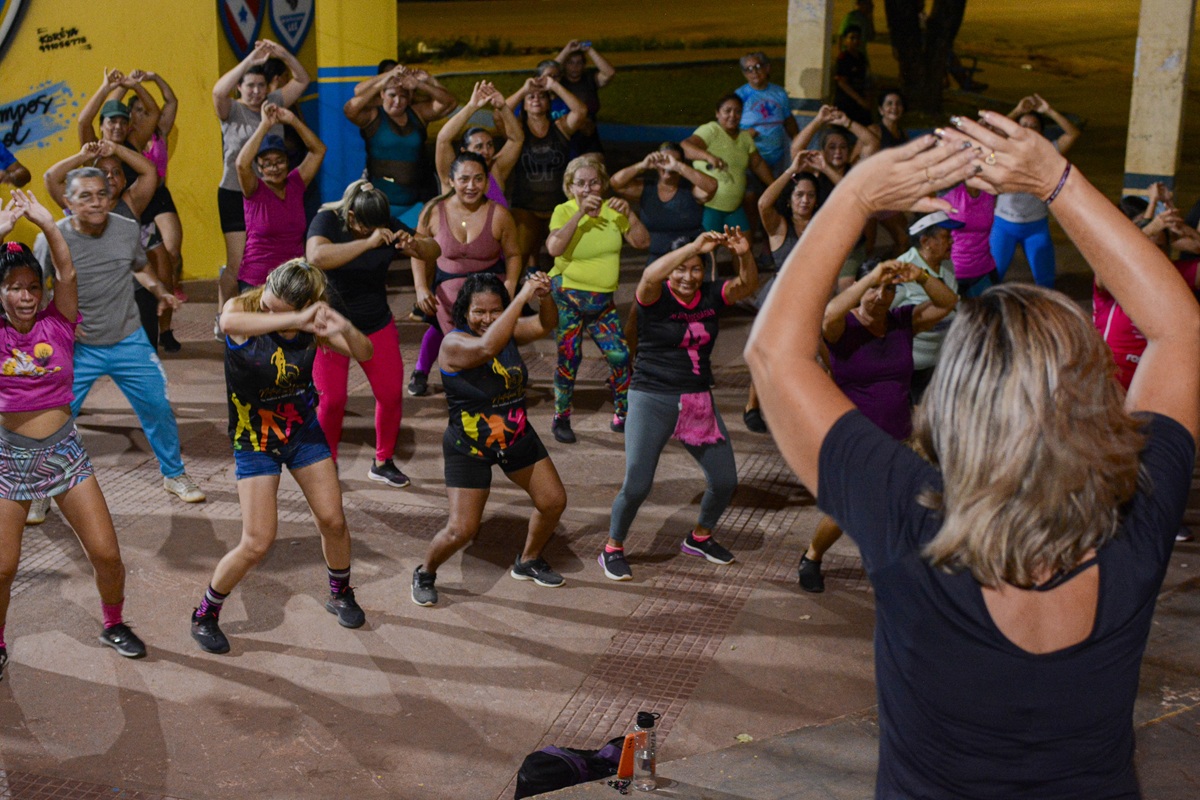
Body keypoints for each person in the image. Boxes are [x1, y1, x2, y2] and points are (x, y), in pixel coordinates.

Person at [746, 114, 1199, 797]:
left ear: (955, 404)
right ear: (1092, 395)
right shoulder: (1137, 517)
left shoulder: (907, 519)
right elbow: (1180, 330)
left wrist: (858, 194)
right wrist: (1057, 180)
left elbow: (774, 354)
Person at [190, 259, 373, 655]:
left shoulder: (310, 323)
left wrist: (341, 326)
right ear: (268, 282)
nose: (271, 310)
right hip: (254, 439)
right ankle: (205, 613)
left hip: (302, 433)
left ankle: (340, 593)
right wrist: (295, 318)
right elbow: (228, 324)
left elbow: (365, 351)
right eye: (271, 301)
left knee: (333, 520)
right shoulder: (242, 310)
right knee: (257, 541)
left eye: (284, 309)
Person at [0, 190, 148, 677]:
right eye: (14, 288)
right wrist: (4, 228)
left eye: (31, 288)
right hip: (9, 458)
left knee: (107, 553)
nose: (25, 296)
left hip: (64, 453)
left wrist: (47, 224)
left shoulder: (58, 324)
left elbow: (67, 273)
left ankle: (113, 622)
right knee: (2, 568)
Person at [31, 167, 202, 522]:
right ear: (67, 202)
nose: (96, 202)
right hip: (78, 348)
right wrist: (57, 323)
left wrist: (159, 290)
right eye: (85, 196)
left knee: (157, 406)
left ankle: (174, 475)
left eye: (101, 194)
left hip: (128, 340)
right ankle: (40, 489)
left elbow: (139, 266)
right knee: (52, 419)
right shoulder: (52, 237)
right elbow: (38, 285)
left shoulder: (126, 229)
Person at [600, 229, 758, 581]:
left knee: (725, 480)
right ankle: (613, 547)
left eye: (696, 269)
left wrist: (744, 253)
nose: (688, 277)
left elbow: (747, 285)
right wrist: (694, 247)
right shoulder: (654, 294)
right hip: (651, 395)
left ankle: (700, 536)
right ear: (670, 270)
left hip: (697, 398)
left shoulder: (711, 296)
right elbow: (647, 276)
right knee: (638, 484)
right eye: (681, 269)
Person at [797, 255, 957, 593]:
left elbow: (948, 302)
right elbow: (827, 315)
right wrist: (869, 280)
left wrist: (919, 275)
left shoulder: (902, 321)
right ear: (860, 287)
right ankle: (812, 556)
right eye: (874, 288)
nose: (881, 296)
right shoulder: (843, 326)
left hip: (900, 436)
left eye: (888, 290)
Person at [411, 272, 565, 607]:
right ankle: (425, 571)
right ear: (464, 311)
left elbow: (545, 325)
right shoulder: (453, 343)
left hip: (515, 436)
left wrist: (544, 296)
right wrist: (520, 297)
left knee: (553, 502)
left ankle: (528, 560)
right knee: (461, 530)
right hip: (470, 447)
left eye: (495, 311)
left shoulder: (507, 332)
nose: (487, 318)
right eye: (479, 311)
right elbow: (486, 346)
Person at [306, 180, 440, 485]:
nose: (375, 232)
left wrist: (415, 246)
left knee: (391, 395)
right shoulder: (328, 220)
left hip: (376, 322)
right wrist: (367, 243)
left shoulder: (384, 223)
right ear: (351, 216)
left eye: (377, 228)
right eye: (366, 227)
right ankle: (326, 465)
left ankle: (382, 461)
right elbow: (315, 256)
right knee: (333, 401)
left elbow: (435, 248)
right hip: (333, 328)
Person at [545, 154, 649, 443]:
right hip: (568, 297)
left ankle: (623, 414)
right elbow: (554, 248)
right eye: (581, 184)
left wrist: (630, 214)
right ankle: (561, 416)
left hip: (602, 303)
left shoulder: (614, 211)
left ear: (602, 185)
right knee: (569, 357)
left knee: (620, 355)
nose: (588, 189)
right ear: (570, 186)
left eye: (593, 183)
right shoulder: (563, 211)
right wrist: (580, 214)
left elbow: (643, 242)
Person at [409, 152, 521, 398]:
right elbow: (417, 252)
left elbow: (513, 254)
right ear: (450, 181)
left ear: (487, 182)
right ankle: (424, 372)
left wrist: (511, 284)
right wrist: (420, 288)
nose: (472, 186)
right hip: (447, 294)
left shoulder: (500, 214)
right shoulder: (433, 211)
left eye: (478, 179)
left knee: (501, 361)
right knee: (453, 346)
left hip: (489, 291)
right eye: (464, 179)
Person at [213, 40, 310, 317]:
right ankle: (226, 316)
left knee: (270, 257)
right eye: (249, 86)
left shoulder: (274, 104)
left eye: (260, 86)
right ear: (240, 88)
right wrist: (251, 60)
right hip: (235, 192)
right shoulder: (231, 109)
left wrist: (282, 53)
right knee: (238, 262)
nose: (256, 91)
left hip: (270, 195)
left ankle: (268, 312)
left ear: (268, 87)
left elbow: (303, 79)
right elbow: (218, 90)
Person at [742, 156, 821, 433]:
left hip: (812, 297)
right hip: (780, 298)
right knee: (768, 351)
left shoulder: (822, 227)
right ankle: (753, 405)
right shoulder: (779, 227)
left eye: (811, 195)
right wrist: (791, 170)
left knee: (807, 355)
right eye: (799, 194)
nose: (805, 200)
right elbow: (763, 203)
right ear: (790, 199)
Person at [343, 65, 456, 228]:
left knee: (415, 249)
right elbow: (350, 108)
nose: (397, 101)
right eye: (391, 95)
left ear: (409, 98)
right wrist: (386, 77)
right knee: (379, 250)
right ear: (382, 94)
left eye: (403, 96)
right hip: (379, 206)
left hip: (414, 204)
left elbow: (450, 103)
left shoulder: (418, 114)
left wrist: (422, 84)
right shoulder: (373, 116)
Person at [990, 93, 1080, 287]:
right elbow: (990, 131)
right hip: (1003, 224)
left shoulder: (1049, 152)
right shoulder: (1004, 149)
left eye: (1034, 127)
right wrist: (1016, 111)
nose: (1028, 130)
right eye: (1023, 126)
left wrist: (1048, 111)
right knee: (992, 278)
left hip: (1036, 226)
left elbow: (1073, 133)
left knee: (1046, 282)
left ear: (1042, 132)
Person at [235, 101, 325, 290]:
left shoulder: (296, 183)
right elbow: (242, 164)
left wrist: (292, 120)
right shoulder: (254, 189)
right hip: (257, 279)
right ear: (259, 168)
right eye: (267, 163)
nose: (274, 168)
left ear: (288, 162)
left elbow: (318, 150)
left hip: (293, 278)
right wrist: (265, 125)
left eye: (280, 161)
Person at [505, 74, 587, 268]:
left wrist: (554, 85)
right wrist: (523, 90)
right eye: (531, 97)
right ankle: (515, 296)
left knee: (561, 261)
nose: (536, 99)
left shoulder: (561, 127)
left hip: (557, 206)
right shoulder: (517, 130)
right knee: (518, 257)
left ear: (549, 103)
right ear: (523, 105)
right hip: (525, 207)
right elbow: (500, 112)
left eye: (541, 96)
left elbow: (581, 111)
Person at [893, 211, 961, 402]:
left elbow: (955, 307)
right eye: (946, 237)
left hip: (938, 362)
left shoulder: (947, 266)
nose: (952, 242)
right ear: (926, 242)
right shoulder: (902, 270)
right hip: (907, 369)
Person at [609, 142, 717, 263]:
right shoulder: (647, 188)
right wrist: (642, 165)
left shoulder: (691, 189)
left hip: (691, 259)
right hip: (658, 260)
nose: (668, 166)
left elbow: (712, 186)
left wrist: (678, 166)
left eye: (674, 161)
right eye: (663, 160)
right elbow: (615, 183)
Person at [682, 95, 775, 233]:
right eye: (727, 111)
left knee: (744, 247)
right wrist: (708, 156)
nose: (733, 115)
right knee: (708, 250)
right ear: (717, 113)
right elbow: (686, 147)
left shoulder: (745, 137)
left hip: (734, 208)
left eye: (738, 111)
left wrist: (774, 185)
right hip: (710, 206)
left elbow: (757, 164)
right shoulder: (711, 130)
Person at [434, 80, 524, 204]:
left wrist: (503, 107)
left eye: (489, 145)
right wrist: (471, 107)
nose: (486, 151)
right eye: (479, 146)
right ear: (464, 151)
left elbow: (517, 139)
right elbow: (443, 139)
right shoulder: (452, 172)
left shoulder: (496, 168)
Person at [735, 52, 800, 177]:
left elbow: (789, 120)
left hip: (777, 155)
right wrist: (744, 135)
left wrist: (797, 142)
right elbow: (730, 126)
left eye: (758, 67)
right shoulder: (740, 95)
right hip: (751, 157)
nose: (754, 72)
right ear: (744, 74)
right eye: (748, 69)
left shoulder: (779, 93)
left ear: (767, 68)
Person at [555, 39, 617, 157]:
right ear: (564, 65)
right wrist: (566, 50)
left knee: (596, 166)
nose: (575, 67)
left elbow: (609, 73)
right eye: (570, 63)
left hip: (589, 134)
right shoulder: (558, 82)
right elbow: (545, 73)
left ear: (584, 65)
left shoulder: (590, 80)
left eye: (579, 63)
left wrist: (590, 50)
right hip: (565, 133)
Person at [943, 180, 999, 298]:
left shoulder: (990, 192)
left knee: (992, 313)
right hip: (954, 272)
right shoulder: (948, 193)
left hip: (984, 268)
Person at [833, 26, 872, 127]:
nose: (855, 41)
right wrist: (860, 100)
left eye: (857, 38)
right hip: (847, 103)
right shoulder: (843, 58)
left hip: (860, 104)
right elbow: (842, 83)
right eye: (852, 38)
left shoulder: (861, 57)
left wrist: (867, 100)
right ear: (846, 40)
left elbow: (866, 79)